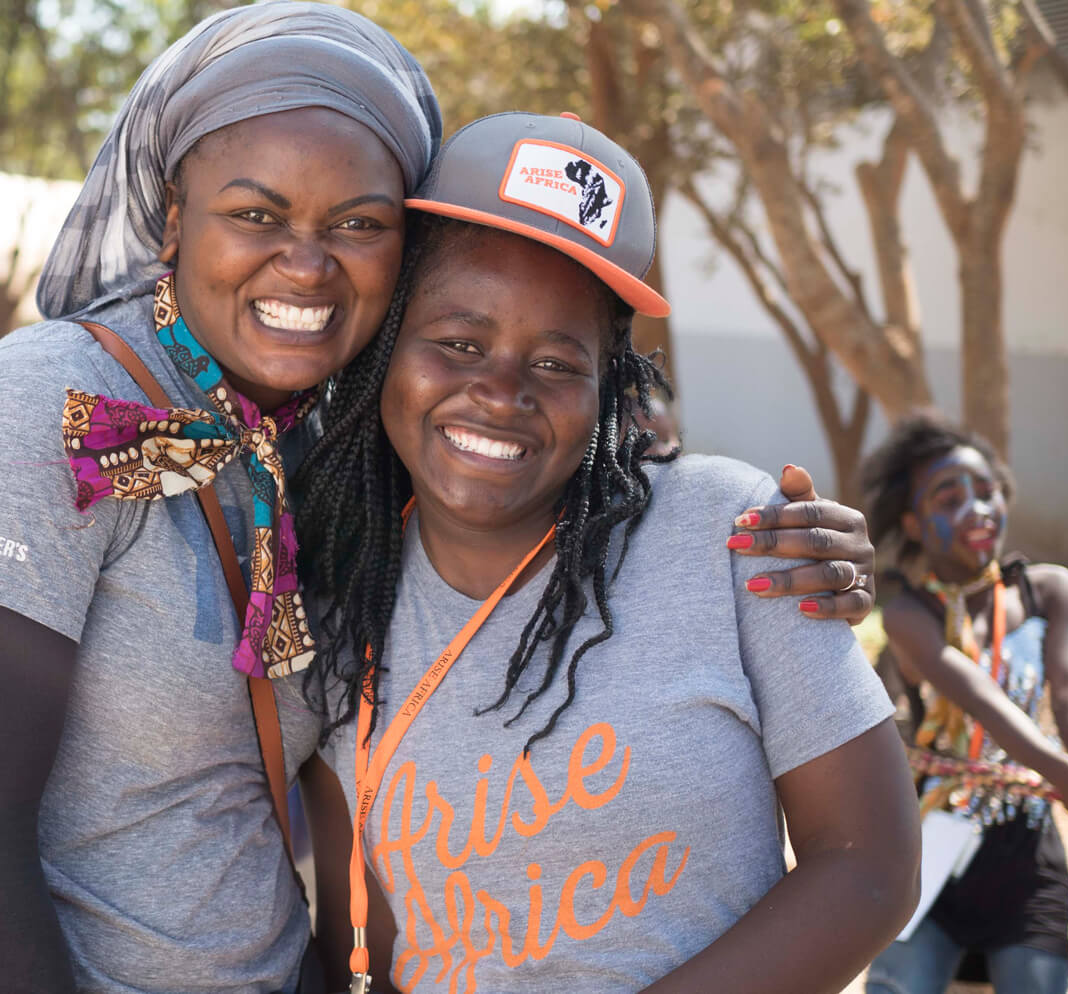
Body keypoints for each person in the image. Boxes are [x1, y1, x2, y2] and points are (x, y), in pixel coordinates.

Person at [0, 6, 882, 990]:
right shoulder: (47, 409)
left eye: (357, 222)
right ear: (173, 217)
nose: (305, 262)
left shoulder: (340, 448)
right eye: (257, 213)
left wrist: (792, 549)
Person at [295, 111, 920, 994]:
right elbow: (363, 944)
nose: (501, 392)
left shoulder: (731, 532)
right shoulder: (344, 600)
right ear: (387, 346)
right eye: (459, 343)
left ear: (609, 381)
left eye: (555, 361)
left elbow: (868, 866)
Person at [861, 413, 1068, 994]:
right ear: (911, 522)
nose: (977, 507)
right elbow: (979, 699)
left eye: (987, 492)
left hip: (1028, 860)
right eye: (949, 496)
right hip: (927, 858)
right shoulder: (911, 615)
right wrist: (1064, 773)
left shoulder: (1051, 590)